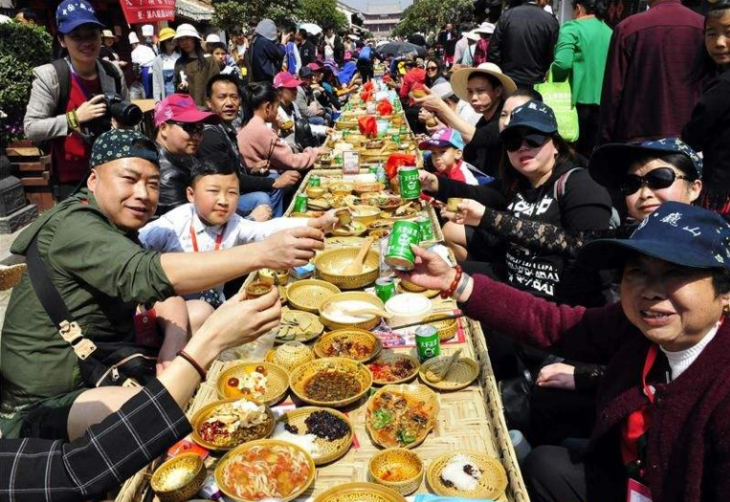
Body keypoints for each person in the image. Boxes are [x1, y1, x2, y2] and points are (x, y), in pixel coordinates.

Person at [0, 129, 324, 440]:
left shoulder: (112, 223)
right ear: (94, 180)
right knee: (143, 416)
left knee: (196, 310)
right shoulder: (75, 226)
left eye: (153, 183)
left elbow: (159, 292)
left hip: (106, 358)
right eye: (129, 179)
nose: (143, 193)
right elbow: (146, 272)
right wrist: (262, 254)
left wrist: (174, 340)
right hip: (46, 402)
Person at [400, 202, 730, 502]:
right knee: (545, 464)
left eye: (676, 272)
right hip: (627, 475)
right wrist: (455, 282)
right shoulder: (634, 327)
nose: (651, 290)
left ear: (724, 292)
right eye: (637, 271)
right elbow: (553, 323)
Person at [0, 287, 282, 502]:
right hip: (42, 415)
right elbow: (78, 471)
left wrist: (179, 345)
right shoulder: (76, 229)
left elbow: (161, 284)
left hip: (113, 366)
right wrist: (208, 343)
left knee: (195, 310)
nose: (146, 205)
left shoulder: (121, 234)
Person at [423, 100, 614, 307]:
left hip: (553, 305)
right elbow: (475, 192)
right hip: (513, 279)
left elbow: (588, 251)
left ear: (556, 145)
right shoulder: (516, 184)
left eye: (534, 137)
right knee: (434, 278)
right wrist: (433, 183)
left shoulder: (580, 184)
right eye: (513, 141)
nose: (523, 147)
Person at [139, 159, 336, 330]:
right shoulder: (171, 225)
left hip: (217, 309)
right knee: (198, 313)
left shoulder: (234, 223)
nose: (223, 201)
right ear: (191, 194)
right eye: (213, 191)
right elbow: (133, 251)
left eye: (232, 193)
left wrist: (314, 223)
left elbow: (266, 229)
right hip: (172, 318)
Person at [23, 0, 127, 201]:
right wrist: (75, 118)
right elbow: (31, 127)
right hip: (71, 180)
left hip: (112, 169)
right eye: (76, 36)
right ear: (62, 40)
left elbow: (125, 115)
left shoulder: (112, 72)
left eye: (92, 34)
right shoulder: (50, 76)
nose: (86, 43)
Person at [599, 0, 705, 143]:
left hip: (640, 139)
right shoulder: (703, 27)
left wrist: (605, 140)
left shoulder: (628, 28)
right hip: (692, 138)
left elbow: (613, 92)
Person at [197, 74, 298, 220]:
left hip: (232, 189)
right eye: (222, 97)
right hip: (218, 197)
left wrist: (253, 170)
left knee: (274, 177)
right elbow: (227, 179)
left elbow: (234, 170)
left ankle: (274, 223)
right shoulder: (210, 135)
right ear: (209, 102)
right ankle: (265, 234)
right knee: (262, 197)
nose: (230, 103)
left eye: (234, 97)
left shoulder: (226, 128)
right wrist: (274, 182)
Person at [414, 63, 516, 178]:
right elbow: (468, 152)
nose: (473, 98)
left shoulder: (505, 118)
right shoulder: (483, 120)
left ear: (498, 91)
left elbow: (480, 139)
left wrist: (440, 107)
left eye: (480, 91)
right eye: (470, 91)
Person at [682, 0, 730, 217]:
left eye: (728, 33)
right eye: (711, 33)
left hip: (721, 195)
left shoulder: (724, 86)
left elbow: (692, 136)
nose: (719, 42)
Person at [551, 0, 612, 157]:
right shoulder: (609, 32)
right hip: (603, 105)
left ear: (578, 8)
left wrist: (556, 82)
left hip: (574, 104)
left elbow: (562, 63)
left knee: (569, 154)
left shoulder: (572, 28)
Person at [238, 82, 327, 172]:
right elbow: (291, 161)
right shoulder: (262, 131)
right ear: (268, 107)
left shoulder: (247, 125)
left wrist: (275, 124)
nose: (277, 111)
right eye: (276, 107)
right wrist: (314, 152)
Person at [155, 94, 219, 215]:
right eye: (189, 127)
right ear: (163, 128)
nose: (197, 136)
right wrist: (251, 219)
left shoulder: (183, 155)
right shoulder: (167, 175)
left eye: (200, 128)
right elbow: (185, 224)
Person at [487, 0, 559, 88]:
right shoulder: (550, 21)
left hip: (509, 81)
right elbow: (553, 53)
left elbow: (493, 51)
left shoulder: (507, 16)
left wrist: (499, 75)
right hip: (537, 82)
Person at [174, 24, 219, 107]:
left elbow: (218, 83)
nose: (184, 42)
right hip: (187, 108)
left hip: (208, 107)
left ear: (194, 39)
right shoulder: (179, 63)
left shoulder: (209, 59)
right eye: (181, 40)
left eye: (187, 38)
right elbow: (176, 85)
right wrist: (180, 87)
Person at [249, 19, 286, 84]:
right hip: (266, 78)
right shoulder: (264, 41)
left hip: (257, 78)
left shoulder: (255, 40)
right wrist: (282, 43)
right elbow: (279, 53)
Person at [151, 27, 179, 102]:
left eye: (174, 39)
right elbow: (156, 82)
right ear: (163, 42)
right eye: (169, 40)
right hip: (165, 98)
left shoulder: (181, 57)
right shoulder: (158, 60)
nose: (172, 42)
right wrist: (157, 101)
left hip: (180, 98)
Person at [129, 31, 156, 99]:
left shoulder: (134, 52)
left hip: (145, 70)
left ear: (132, 44)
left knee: (146, 91)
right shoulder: (147, 48)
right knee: (154, 88)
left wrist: (137, 75)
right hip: (154, 69)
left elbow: (136, 65)